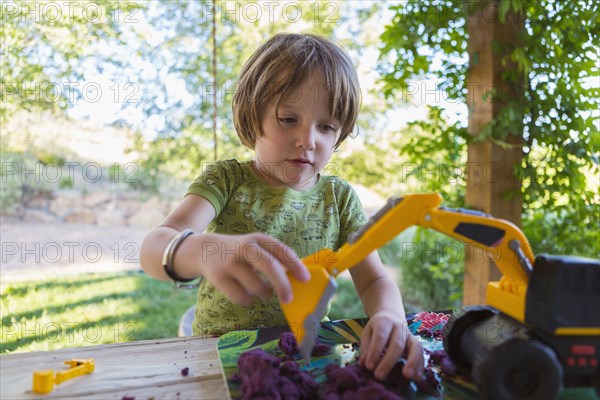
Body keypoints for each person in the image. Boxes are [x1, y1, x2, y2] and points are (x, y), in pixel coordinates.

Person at [140, 32, 423, 382]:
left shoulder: (340, 199)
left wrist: (389, 315)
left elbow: (374, 279)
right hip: (217, 357)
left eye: (327, 126)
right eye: (288, 119)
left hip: (302, 359)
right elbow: (153, 248)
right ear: (253, 115)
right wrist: (200, 250)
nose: (308, 140)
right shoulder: (226, 180)